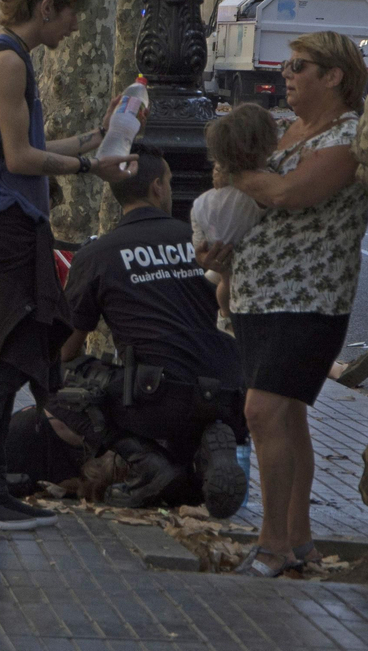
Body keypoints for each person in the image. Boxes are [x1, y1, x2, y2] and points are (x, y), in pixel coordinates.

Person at [0, 0, 137, 532]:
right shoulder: (8, 63)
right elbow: (22, 159)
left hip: (14, 230)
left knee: (16, 356)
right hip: (6, 235)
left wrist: (94, 139)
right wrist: (89, 167)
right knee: (3, 361)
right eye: (71, 12)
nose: (75, 26)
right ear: (46, 7)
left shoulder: (4, 55)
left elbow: (21, 148)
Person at [200, 30, 368, 576]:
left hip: (308, 300)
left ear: (333, 76)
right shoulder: (285, 132)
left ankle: (272, 544)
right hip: (257, 296)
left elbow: (289, 194)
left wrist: (235, 173)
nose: (286, 74)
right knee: (288, 416)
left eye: (299, 66)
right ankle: (298, 540)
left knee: (261, 411)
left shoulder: (346, 139)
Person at [58, 148, 249, 518]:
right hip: (227, 388)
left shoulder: (98, 254)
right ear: (158, 187)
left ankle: (145, 461)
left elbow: (65, 348)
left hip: (156, 395)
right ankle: (206, 450)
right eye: (171, 183)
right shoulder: (201, 242)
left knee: (56, 375)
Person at [192, 103, 275, 313]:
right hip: (256, 284)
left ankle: (226, 315)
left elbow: (200, 244)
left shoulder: (201, 202)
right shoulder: (258, 192)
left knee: (225, 283)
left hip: (222, 263)